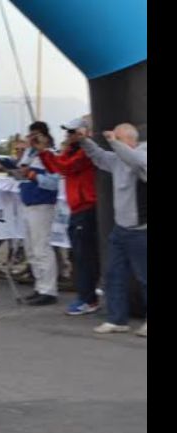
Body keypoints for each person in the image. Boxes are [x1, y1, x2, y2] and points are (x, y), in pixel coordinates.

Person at [81, 124, 147, 337]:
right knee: (113, 274)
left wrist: (113, 142)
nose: (113, 142)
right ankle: (117, 319)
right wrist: (84, 140)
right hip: (121, 230)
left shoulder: (142, 155)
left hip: (141, 231)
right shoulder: (117, 159)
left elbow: (135, 161)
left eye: (118, 138)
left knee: (145, 277)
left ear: (130, 140)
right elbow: (99, 156)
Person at [39, 118, 100, 315]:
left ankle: (88, 299)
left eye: (72, 132)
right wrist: (44, 153)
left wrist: (44, 152)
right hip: (77, 208)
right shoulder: (72, 150)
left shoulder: (85, 152)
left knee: (84, 257)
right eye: (68, 132)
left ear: (83, 133)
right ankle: (87, 295)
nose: (68, 135)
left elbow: (65, 167)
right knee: (80, 256)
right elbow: (57, 167)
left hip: (86, 207)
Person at [17, 123, 61, 306]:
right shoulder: (30, 154)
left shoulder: (50, 155)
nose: (32, 139)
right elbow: (21, 172)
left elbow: (54, 183)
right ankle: (39, 284)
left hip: (42, 205)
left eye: (35, 136)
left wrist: (34, 176)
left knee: (41, 247)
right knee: (31, 248)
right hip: (27, 203)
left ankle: (48, 289)